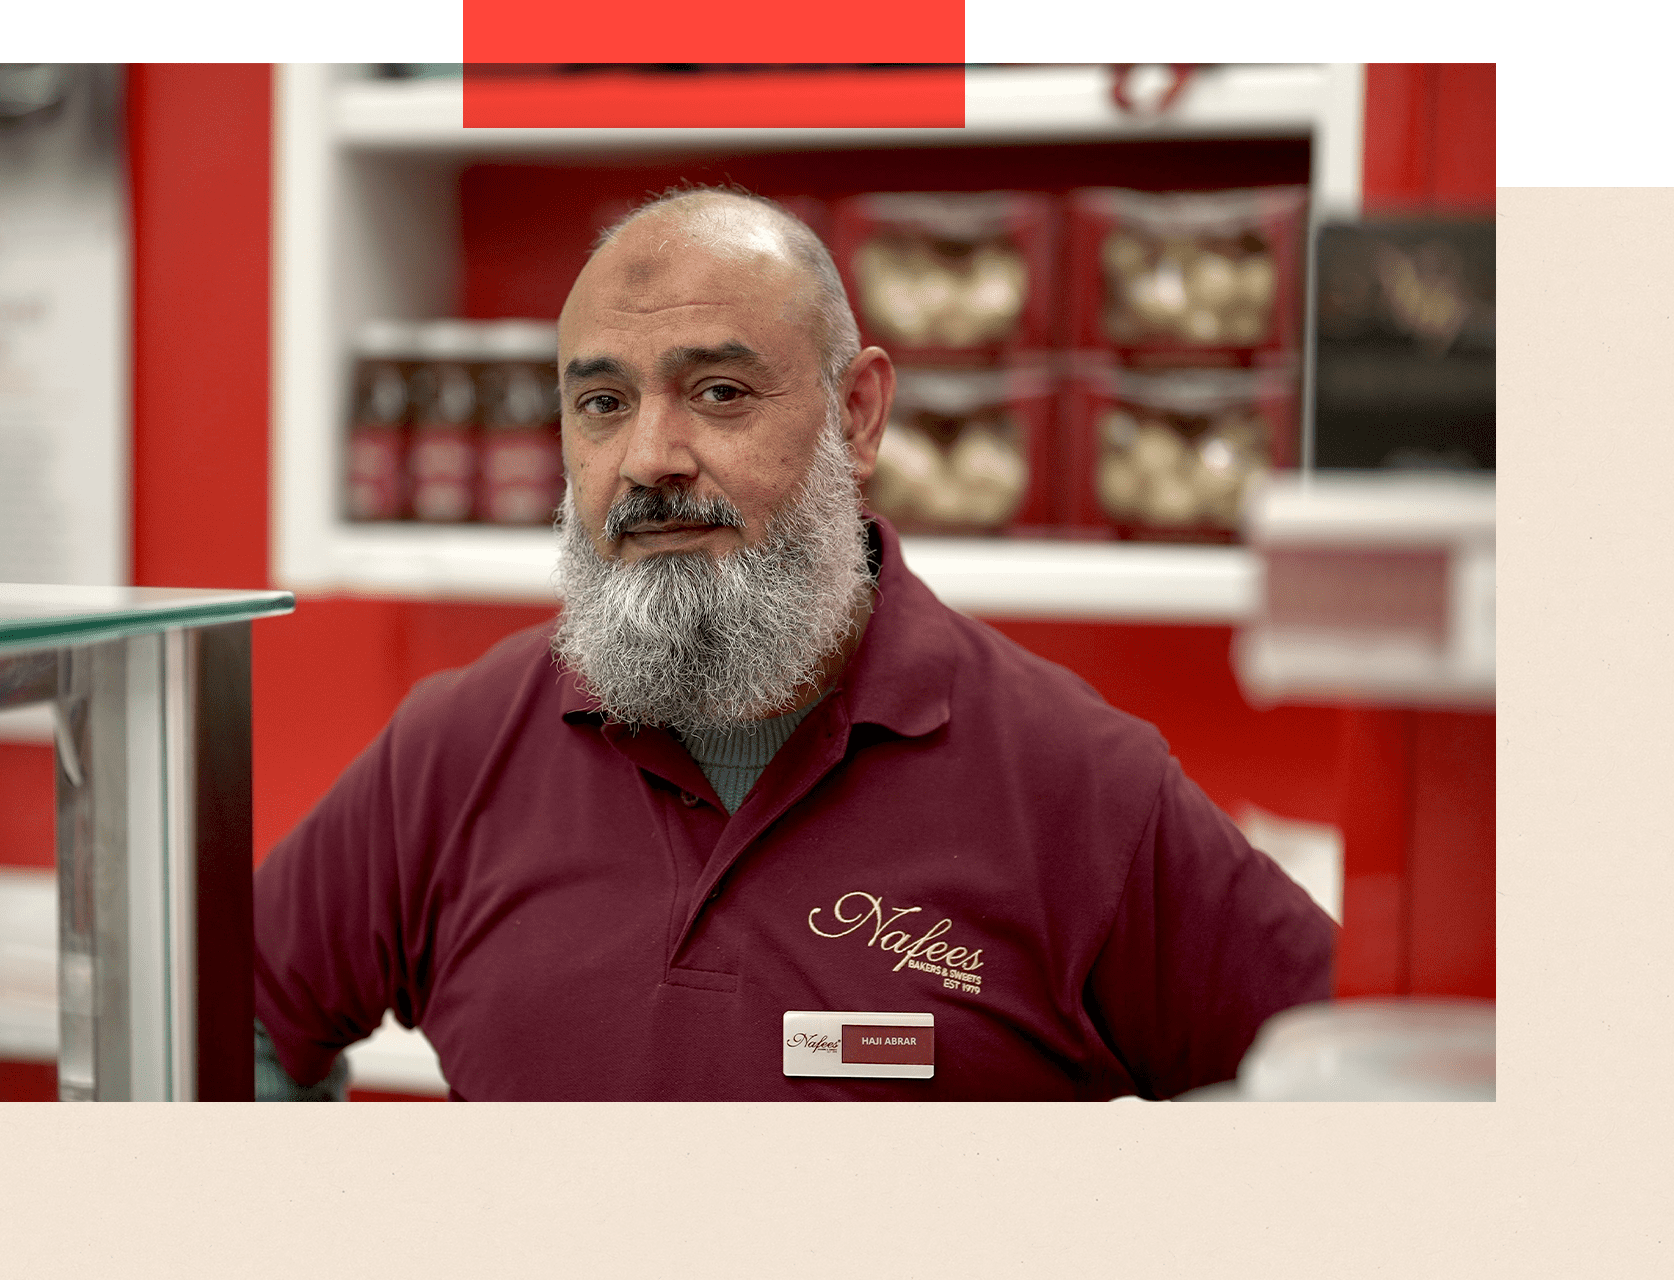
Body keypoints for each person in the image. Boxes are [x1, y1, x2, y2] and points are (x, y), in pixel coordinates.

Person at [252, 188, 1335, 1102]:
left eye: (719, 392)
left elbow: (1342, 1084)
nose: (649, 457)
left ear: (858, 414)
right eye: (601, 401)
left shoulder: (1082, 785)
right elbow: (236, 1012)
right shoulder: (452, 752)